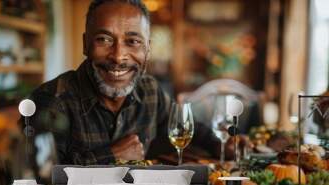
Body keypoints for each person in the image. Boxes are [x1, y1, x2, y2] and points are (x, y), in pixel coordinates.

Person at [28, 0, 243, 165]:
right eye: (104, 39)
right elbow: (40, 181)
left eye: (133, 41)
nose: (118, 56)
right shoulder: (51, 101)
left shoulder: (149, 89)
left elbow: (188, 129)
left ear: (147, 50)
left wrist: (223, 144)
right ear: (86, 44)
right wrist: (110, 157)